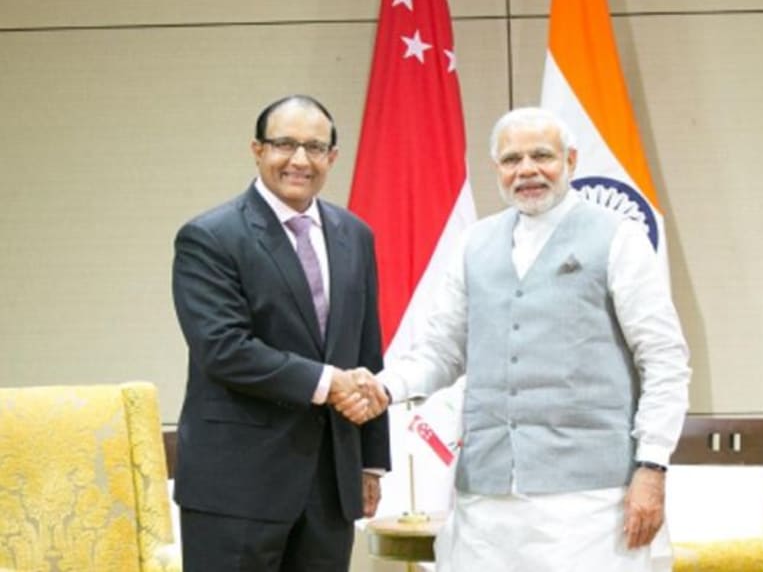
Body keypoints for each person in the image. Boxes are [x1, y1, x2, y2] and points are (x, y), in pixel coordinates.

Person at [367, 107, 691, 571]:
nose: (527, 171)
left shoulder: (618, 238)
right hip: (487, 495)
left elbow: (664, 360)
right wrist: (383, 388)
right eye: (511, 159)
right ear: (497, 169)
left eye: (542, 155)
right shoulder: (473, 245)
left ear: (571, 161)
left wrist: (652, 467)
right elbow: (443, 349)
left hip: (590, 498)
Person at [171, 94, 390, 572]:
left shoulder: (356, 235)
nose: (299, 160)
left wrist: (369, 462)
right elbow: (224, 349)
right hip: (236, 487)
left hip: (330, 486)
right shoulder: (210, 237)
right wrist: (331, 383)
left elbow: (366, 351)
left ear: (332, 157)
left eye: (314, 148)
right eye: (284, 144)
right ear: (257, 150)